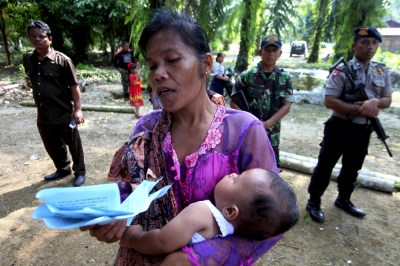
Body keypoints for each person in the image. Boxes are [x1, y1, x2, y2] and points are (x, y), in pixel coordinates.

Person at [81, 10, 282, 266]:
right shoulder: (147, 129)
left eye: (172, 60)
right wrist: (110, 217)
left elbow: (273, 220)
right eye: (152, 65)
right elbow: (128, 192)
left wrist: (198, 258)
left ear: (206, 64)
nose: (158, 74)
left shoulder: (244, 131)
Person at [306, 26, 393, 223]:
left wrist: (375, 103)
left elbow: (387, 99)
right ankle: (314, 201)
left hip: (364, 130)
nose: (369, 47)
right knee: (325, 165)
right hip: (340, 127)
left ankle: (344, 199)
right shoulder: (342, 70)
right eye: (364, 42)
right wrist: (360, 109)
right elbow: (330, 101)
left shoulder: (381, 70)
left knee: (353, 167)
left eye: (373, 43)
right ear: (354, 46)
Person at [120, 169, 299, 256]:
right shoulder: (227, 231)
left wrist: (133, 237)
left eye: (236, 179)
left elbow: (161, 242)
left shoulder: (202, 212)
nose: (232, 173)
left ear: (230, 211)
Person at [23, 20, 86, 187]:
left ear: (50, 38)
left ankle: (79, 172)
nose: (37, 39)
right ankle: (62, 168)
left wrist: (77, 110)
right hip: (43, 114)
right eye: (32, 36)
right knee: (52, 145)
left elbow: (74, 86)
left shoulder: (62, 61)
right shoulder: (28, 59)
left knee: (73, 143)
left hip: (65, 114)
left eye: (41, 36)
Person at [230, 35, 294, 171]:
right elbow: (233, 102)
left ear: (280, 54)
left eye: (274, 50)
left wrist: (267, 123)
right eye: (267, 50)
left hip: (272, 132)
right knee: (246, 163)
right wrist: (249, 120)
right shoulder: (247, 76)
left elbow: (286, 106)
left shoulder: (285, 78)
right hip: (249, 129)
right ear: (260, 52)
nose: (271, 54)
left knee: (271, 167)